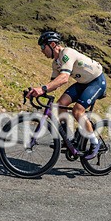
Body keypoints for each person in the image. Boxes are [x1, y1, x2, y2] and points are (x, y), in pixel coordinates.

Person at [27, 31, 106, 159]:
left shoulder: (66, 54)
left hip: (96, 82)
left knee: (77, 110)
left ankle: (95, 143)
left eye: (43, 47)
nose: (41, 50)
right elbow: (54, 84)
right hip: (82, 83)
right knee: (60, 105)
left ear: (52, 44)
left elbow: (64, 78)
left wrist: (42, 89)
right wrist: (38, 92)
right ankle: (69, 139)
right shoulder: (55, 63)